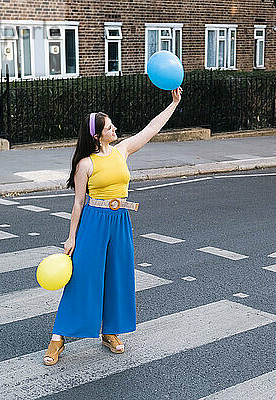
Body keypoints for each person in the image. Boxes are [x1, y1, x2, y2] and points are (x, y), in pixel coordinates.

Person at [44, 87, 183, 366]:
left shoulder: (122, 151)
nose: (114, 128)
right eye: (109, 127)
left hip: (121, 221)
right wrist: (71, 237)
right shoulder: (85, 163)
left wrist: (174, 104)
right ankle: (58, 338)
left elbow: (151, 129)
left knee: (118, 277)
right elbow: (79, 204)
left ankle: (110, 332)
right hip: (94, 223)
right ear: (97, 135)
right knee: (82, 279)